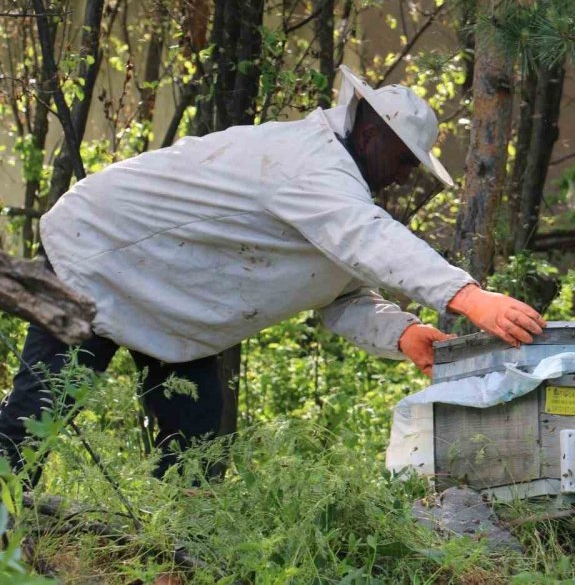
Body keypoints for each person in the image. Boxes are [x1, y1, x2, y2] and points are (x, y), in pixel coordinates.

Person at [0, 65, 546, 481]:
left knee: (195, 445)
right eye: (406, 161)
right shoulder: (308, 162)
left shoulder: (334, 191)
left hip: (175, 298)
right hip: (99, 254)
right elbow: (366, 237)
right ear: (373, 132)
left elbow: (341, 292)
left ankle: (180, 556)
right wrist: (468, 296)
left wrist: (403, 334)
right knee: (39, 411)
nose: (404, 177)